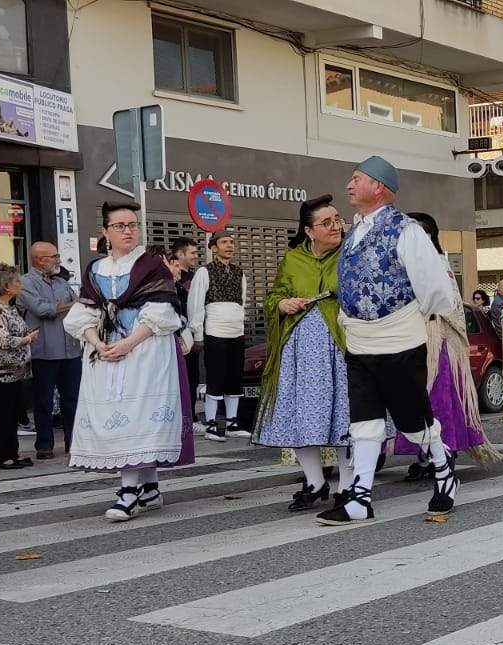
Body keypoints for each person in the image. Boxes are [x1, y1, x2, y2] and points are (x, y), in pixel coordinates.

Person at [319, 156, 463, 524]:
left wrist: (411, 317)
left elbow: (435, 287)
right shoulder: (352, 232)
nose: (348, 185)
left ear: (378, 187)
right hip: (359, 341)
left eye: (356, 179)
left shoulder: (406, 230)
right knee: (363, 422)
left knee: (414, 422)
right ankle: (359, 498)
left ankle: (444, 470)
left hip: (398, 338)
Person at [65, 201, 196, 521]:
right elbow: (86, 311)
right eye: (120, 226)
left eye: (133, 225)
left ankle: (128, 493)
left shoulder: (152, 265)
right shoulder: (95, 269)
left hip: (145, 350)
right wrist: (97, 343)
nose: (128, 231)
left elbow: (162, 312)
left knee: (139, 415)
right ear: (106, 232)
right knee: (118, 413)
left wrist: (128, 343)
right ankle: (149, 487)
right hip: (106, 351)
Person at [257, 194, 352, 511]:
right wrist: (283, 304)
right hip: (300, 354)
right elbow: (274, 298)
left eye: (337, 219)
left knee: (345, 415)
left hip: (341, 348)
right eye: (326, 222)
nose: (335, 226)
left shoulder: (351, 253)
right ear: (309, 231)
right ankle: (314, 481)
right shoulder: (293, 259)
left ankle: (348, 484)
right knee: (301, 416)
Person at [391, 212, 501, 475]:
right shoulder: (409, 262)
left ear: (426, 235)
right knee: (417, 400)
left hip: (436, 339)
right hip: (414, 338)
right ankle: (426, 455)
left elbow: (448, 305)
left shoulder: (439, 262)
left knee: (436, 399)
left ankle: (443, 453)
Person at [20, 241, 81, 460]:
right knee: (43, 400)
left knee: (72, 399)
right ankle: (44, 444)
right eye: (54, 256)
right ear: (39, 259)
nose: (58, 260)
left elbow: (77, 304)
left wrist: (75, 304)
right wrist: (73, 305)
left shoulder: (61, 282)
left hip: (70, 349)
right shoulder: (25, 282)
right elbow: (41, 309)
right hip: (44, 350)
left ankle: (74, 442)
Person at [187, 231, 250, 441]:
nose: (229, 246)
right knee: (215, 377)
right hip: (215, 331)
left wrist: (241, 326)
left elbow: (242, 301)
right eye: (224, 242)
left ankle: (232, 421)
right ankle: (212, 423)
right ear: (213, 247)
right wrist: (197, 333)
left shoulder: (239, 272)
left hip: (236, 331)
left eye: (232, 242)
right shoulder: (204, 272)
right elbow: (196, 304)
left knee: (234, 377)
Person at [0, 264, 37, 470]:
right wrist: (26, 339)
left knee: (11, 414)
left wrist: (26, 337)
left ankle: (12, 453)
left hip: (14, 371)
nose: (20, 284)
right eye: (16, 282)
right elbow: (1, 340)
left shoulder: (9, 306)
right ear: (5, 286)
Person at [169, 237, 204, 431]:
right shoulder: (168, 279)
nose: (195, 257)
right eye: (192, 253)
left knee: (193, 375)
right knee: (176, 377)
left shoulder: (195, 278)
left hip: (191, 335)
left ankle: (191, 417)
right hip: (174, 335)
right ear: (179, 254)